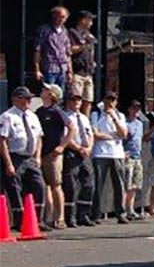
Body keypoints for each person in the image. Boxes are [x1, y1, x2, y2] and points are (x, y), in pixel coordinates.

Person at [0, 87, 47, 231]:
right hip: (16, 156)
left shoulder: (32, 116)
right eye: (25, 98)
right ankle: (19, 221)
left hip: (30, 157)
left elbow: (39, 137)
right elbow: (2, 141)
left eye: (29, 98)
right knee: (15, 188)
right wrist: (8, 164)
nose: (29, 101)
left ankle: (38, 220)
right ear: (15, 99)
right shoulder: (7, 116)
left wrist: (37, 156)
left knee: (39, 186)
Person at [36, 83, 75, 230]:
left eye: (46, 90)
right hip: (41, 152)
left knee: (56, 185)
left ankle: (60, 217)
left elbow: (72, 127)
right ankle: (48, 216)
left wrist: (62, 146)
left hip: (53, 154)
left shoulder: (57, 111)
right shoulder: (39, 111)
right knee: (45, 186)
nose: (42, 91)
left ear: (52, 95)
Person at [91, 92, 128, 224]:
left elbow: (123, 134)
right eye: (108, 99)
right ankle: (95, 214)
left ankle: (120, 212)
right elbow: (95, 134)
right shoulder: (96, 114)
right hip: (100, 153)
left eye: (113, 100)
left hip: (116, 153)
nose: (110, 102)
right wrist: (113, 136)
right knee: (98, 184)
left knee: (119, 184)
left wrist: (113, 117)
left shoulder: (120, 116)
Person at [61, 90, 95, 227]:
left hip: (85, 153)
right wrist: (78, 149)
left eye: (79, 100)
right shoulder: (65, 117)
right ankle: (71, 217)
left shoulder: (84, 118)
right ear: (68, 102)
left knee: (89, 184)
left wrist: (89, 148)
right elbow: (66, 137)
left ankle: (84, 215)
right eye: (73, 100)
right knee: (71, 186)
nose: (76, 103)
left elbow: (90, 134)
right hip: (72, 152)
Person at [34, 6, 72, 91]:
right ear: (54, 16)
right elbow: (38, 50)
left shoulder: (65, 31)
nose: (62, 19)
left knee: (60, 96)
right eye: (60, 16)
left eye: (64, 17)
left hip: (62, 69)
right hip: (49, 68)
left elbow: (68, 53)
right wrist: (37, 70)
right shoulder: (44, 30)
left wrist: (70, 71)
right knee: (50, 94)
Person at [68, 10, 97, 116]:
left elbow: (91, 49)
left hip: (88, 72)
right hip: (77, 71)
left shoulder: (89, 35)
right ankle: (75, 119)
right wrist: (83, 46)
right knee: (76, 99)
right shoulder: (72, 32)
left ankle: (85, 122)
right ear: (83, 20)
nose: (91, 23)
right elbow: (70, 49)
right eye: (90, 20)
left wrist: (93, 61)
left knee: (88, 99)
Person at [123, 100, 145, 220]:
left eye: (138, 109)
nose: (136, 111)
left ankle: (130, 209)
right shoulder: (125, 122)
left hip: (138, 156)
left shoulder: (140, 124)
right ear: (129, 109)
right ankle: (123, 210)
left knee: (134, 185)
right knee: (127, 184)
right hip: (128, 155)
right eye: (134, 108)